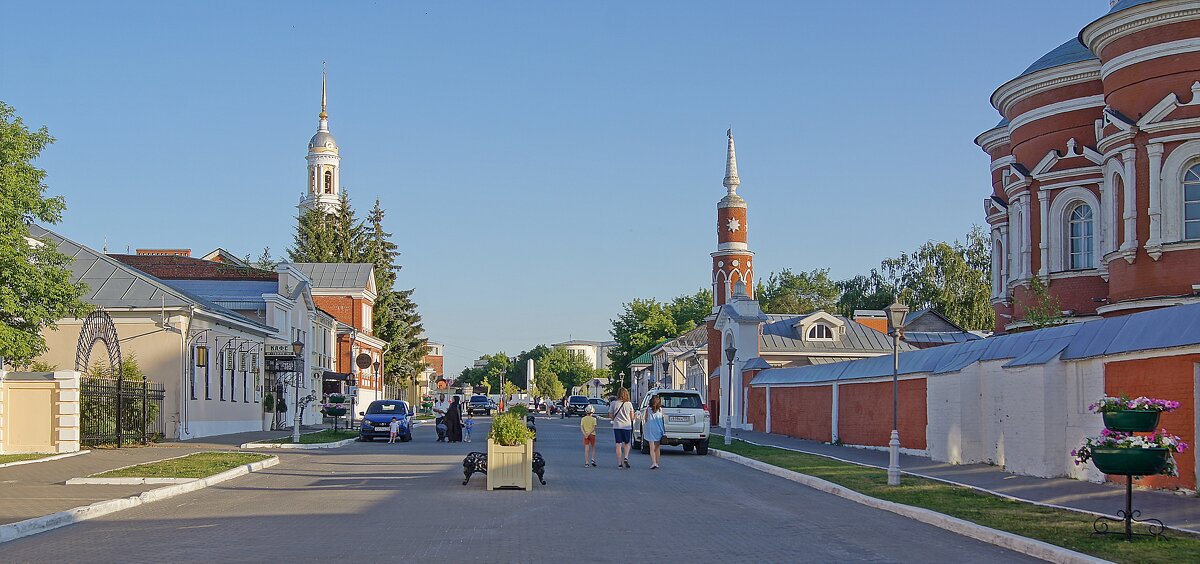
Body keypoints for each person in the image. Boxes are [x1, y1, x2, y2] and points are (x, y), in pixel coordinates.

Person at [609, 388, 635, 468]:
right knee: (627, 443)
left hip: (617, 426)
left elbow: (610, 415)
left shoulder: (613, 403)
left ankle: (619, 463)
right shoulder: (629, 404)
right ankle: (626, 457)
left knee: (618, 444)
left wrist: (614, 418)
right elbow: (632, 417)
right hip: (627, 426)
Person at [643, 394, 666, 469]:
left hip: (650, 429)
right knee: (657, 447)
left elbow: (645, 419)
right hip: (658, 429)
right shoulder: (660, 409)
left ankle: (653, 462)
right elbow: (662, 419)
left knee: (651, 447)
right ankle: (657, 462)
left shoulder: (648, 409)